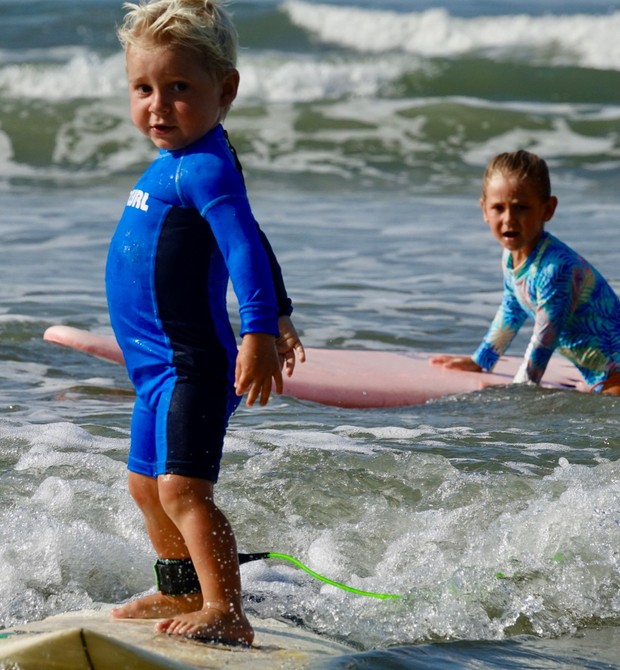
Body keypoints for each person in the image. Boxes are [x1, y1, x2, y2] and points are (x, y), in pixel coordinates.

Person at [105, 0, 305, 645]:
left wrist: (259, 329)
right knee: (145, 485)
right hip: (154, 369)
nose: (158, 106)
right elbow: (253, 233)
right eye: (143, 89)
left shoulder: (207, 164)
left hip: (190, 363)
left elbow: (243, 243)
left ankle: (226, 609)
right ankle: (181, 588)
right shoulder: (178, 161)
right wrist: (278, 310)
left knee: (183, 489)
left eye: (179, 89)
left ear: (225, 91)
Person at [430, 150, 620, 395]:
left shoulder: (556, 269)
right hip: (602, 372)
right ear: (484, 210)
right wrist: (481, 360)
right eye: (498, 208)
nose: (509, 219)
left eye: (521, 208)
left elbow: (545, 337)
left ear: (547, 209)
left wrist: (519, 390)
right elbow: (512, 308)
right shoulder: (511, 257)